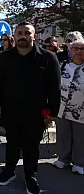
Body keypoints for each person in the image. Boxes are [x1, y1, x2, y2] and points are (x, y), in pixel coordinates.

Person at [0, 22, 61, 194]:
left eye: (27, 33)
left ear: (34, 36)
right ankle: (9, 170)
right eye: (20, 33)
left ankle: (30, 175)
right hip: (11, 109)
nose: (23, 36)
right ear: (14, 36)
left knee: (31, 146)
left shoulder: (48, 58)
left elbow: (54, 87)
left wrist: (51, 112)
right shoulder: (5, 57)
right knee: (12, 143)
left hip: (36, 111)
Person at [53, 39, 84, 175]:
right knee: (63, 134)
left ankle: (79, 163)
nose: (78, 51)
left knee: (80, 137)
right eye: (75, 48)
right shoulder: (63, 66)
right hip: (62, 109)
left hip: (81, 111)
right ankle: (63, 158)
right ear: (70, 51)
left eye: (82, 49)